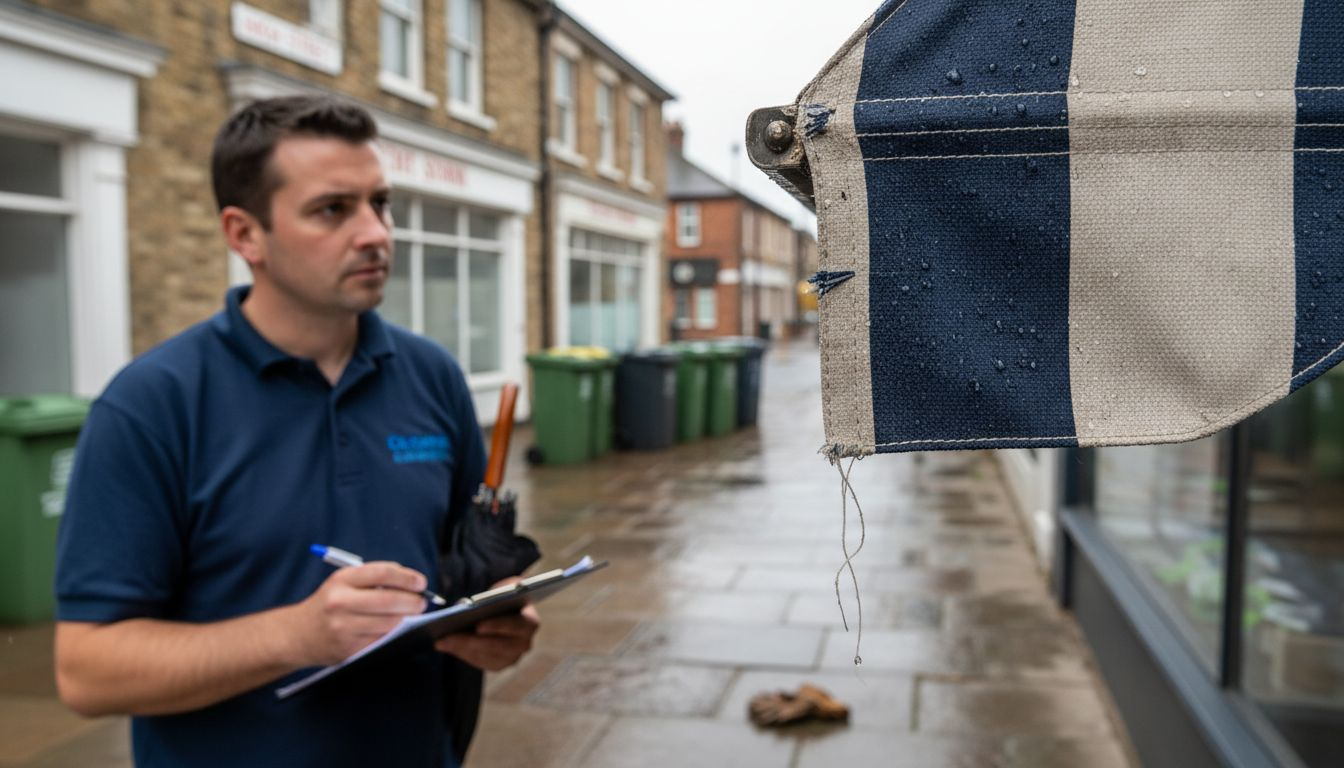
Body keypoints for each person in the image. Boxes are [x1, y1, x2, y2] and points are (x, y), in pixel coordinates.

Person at [52, 95, 538, 767]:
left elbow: (459, 573)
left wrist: (492, 621)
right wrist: (299, 635)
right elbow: (87, 670)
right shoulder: (151, 406)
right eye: (333, 209)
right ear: (245, 234)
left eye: (380, 203)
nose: (375, 232)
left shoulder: (432, 376)